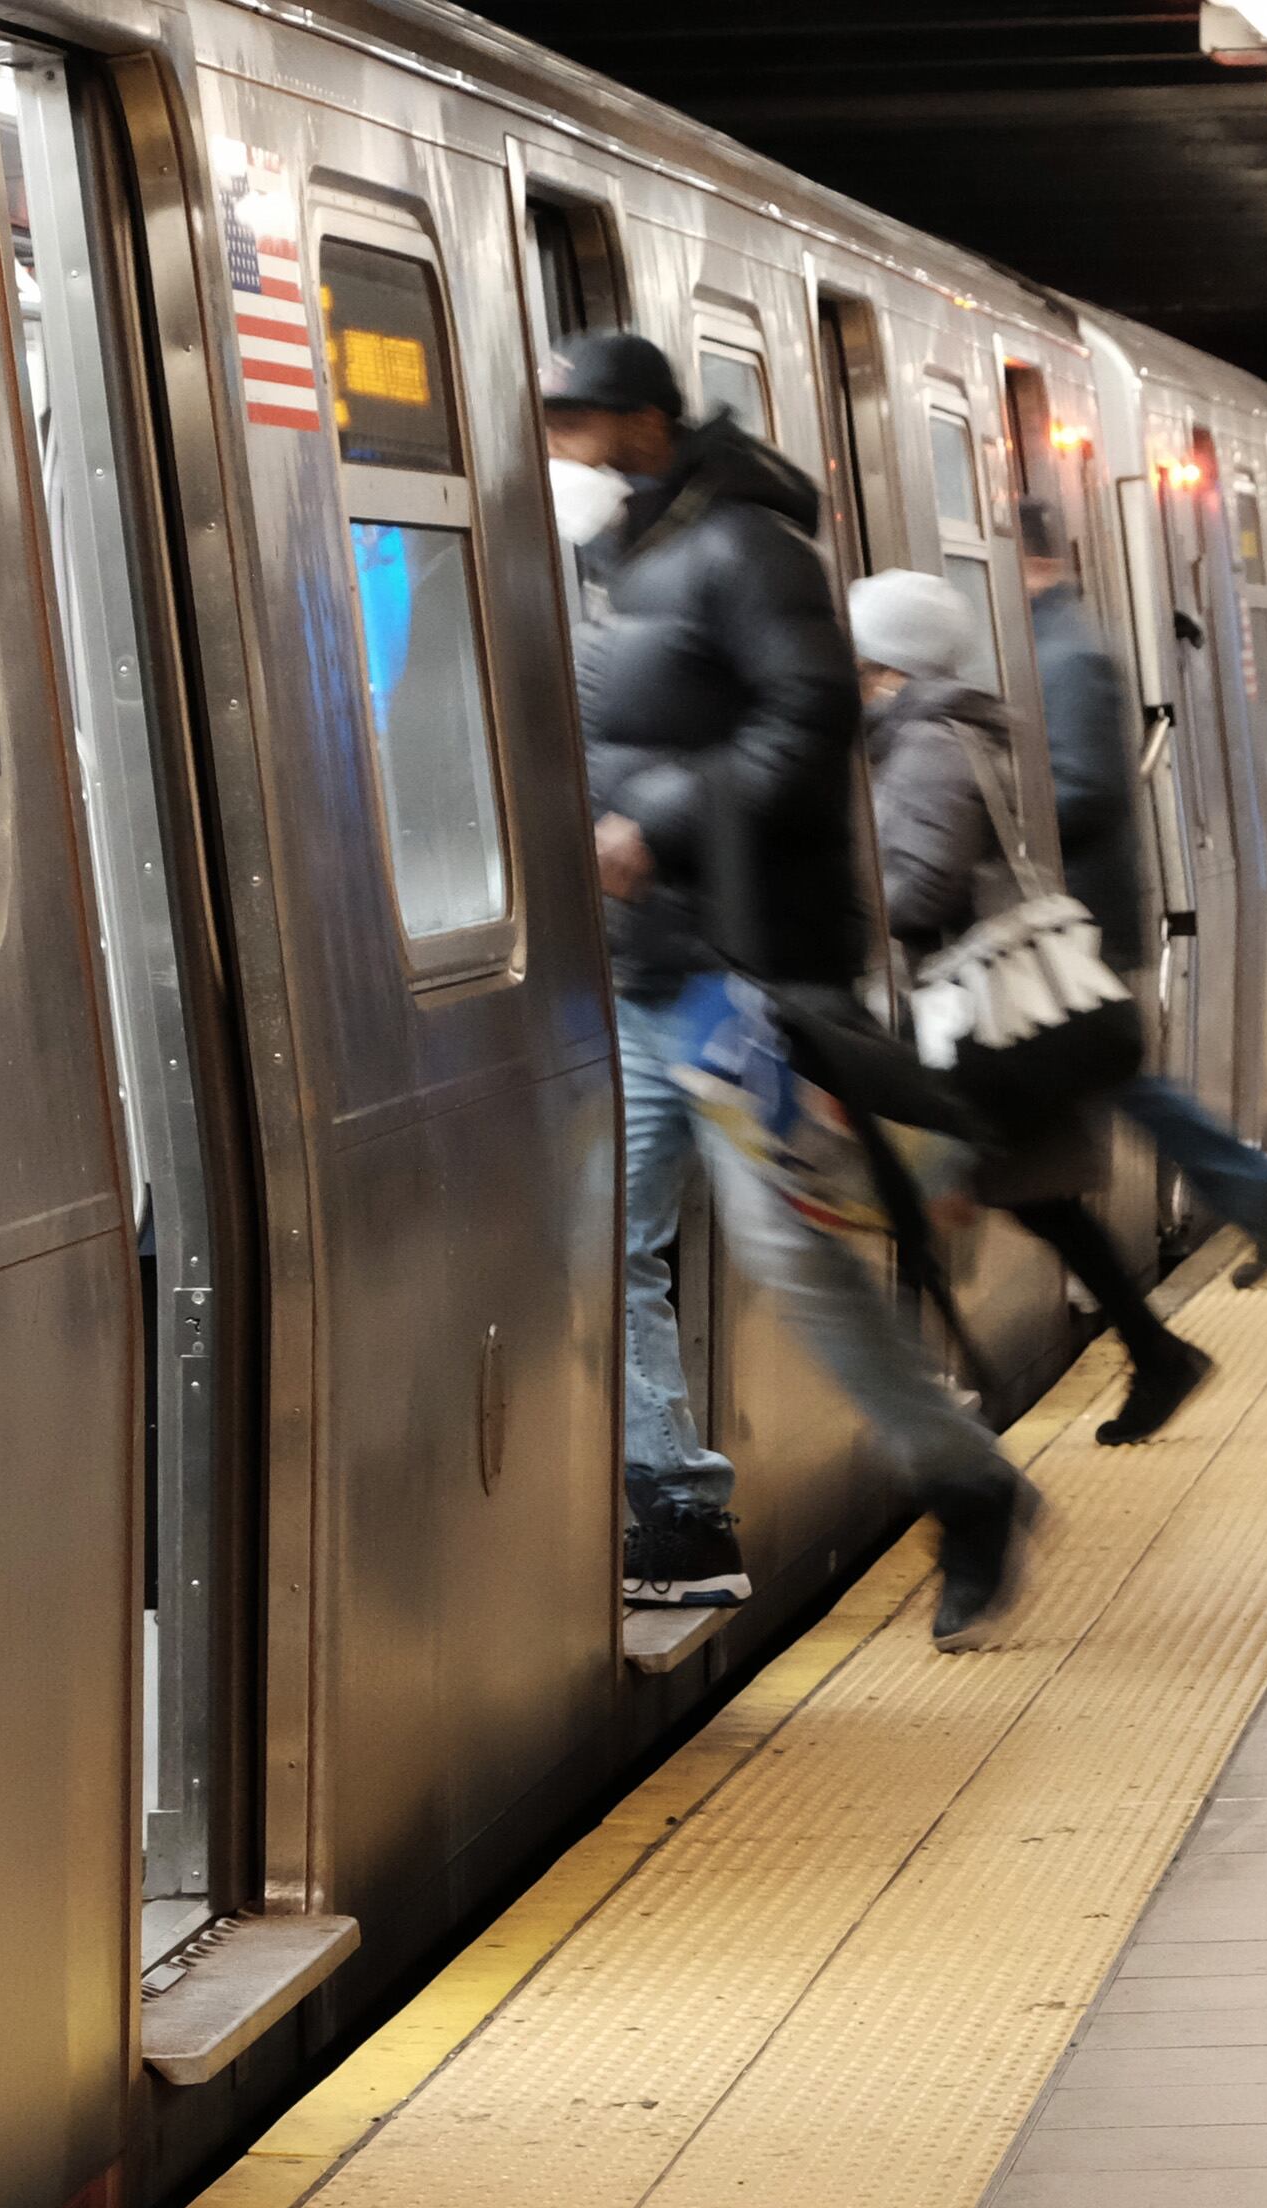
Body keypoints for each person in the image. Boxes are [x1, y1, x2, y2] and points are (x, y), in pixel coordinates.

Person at [543, 329, 1037, 1645]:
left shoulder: (747, 549)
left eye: (574, 422)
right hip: (644, 978)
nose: (556, 445)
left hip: (738, 976)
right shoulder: (625, 557)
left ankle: (966, 1480)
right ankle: (676, 1504)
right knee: (599, 1239)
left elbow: (807, 723)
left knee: (787, 1255)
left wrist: (652, 823)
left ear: (644, 424)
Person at [852, 567, 1217, 1445]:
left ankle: (938, 1441)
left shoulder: (930, 740)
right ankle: (1152, 1352)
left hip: (971, 1012)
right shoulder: (949, 729)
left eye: (861, 655)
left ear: (890, 664)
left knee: (922, 1191)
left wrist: (851, 903)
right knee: (1034, 1198)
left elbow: (924, 886)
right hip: (990, 1008)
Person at [538, 332, 752, 1611]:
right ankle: (679, 1509)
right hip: (687, 976)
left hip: (689, 983)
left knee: (633, 1236)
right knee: (643, 1234)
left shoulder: (603, 643)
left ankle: (678, 1511)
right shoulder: (649, 621)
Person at [1018, 501, 1267, 1287]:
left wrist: (1002, 800)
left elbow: (1087, 791)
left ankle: (1240, 1200)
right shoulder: (1053, 643)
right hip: (1075, 916)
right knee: (1113, 1081)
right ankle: (1248, 1191)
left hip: (1076, 916)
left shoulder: (1067, 653)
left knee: (1094, 1088)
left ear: (1032, 560)